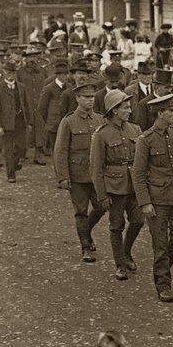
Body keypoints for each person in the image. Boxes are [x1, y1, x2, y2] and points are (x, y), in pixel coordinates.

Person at [132, 93, 173, 302]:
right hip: (157, 201)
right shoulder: (145, 140)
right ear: (160, 113)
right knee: (160, 244)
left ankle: (161, 267)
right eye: (171, 110)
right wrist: (145, 203)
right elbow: (139, 175)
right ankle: (163, 285)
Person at [91, 90, 144, 280]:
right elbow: (96, 168)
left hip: (134, 186)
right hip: (114, 187)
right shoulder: (101, 135)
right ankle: (120, 264)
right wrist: (101, 195)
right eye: (126, 108)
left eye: (129, 107)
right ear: (114, 110)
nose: (129, 111)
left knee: (138, 220)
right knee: (116, 226)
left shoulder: (135, 130)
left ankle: (126, 251)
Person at [54, 82, 107, 262]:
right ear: (77, 98)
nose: (90, 101)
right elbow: (60, 151)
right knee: (81, 211)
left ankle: (87, 231)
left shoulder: (100, 119)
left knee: (102, 206)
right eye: (86, 97)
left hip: (97, 175)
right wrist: (63, 177)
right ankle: (85, 246)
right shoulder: (68, 121)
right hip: (77, 175)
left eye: (92, 97)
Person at [0, 61, 31, 183]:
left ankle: (12, 164)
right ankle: (11, 174)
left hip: (19, 122)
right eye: (8, 72)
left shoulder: (21, 87)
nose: (10, 75)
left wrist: (29, 122)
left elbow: (27, 106)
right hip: (6, 123)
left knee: (22, 147)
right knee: (8, 149)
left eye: (12, 72)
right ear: (4, 73)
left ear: (15, 74)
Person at [18, 46, 48, 165]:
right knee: (25, 129)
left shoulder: (42, 71)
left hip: (40, 105)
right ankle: (21, 154)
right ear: (25, 58)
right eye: (30, 56)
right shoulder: (20, 72)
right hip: (26, 105)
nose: (32, 59)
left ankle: (39, 154)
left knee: (40, 128)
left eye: (34, 56)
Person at [38, 60, 70, 155]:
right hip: (53, 125)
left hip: (66, 123)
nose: (66, 77)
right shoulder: (49, 88)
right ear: (58, 75)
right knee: (56, 150)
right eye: (63, 75)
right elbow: (42, 107)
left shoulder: (70, 87)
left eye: (66, 74)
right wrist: (49, 119)